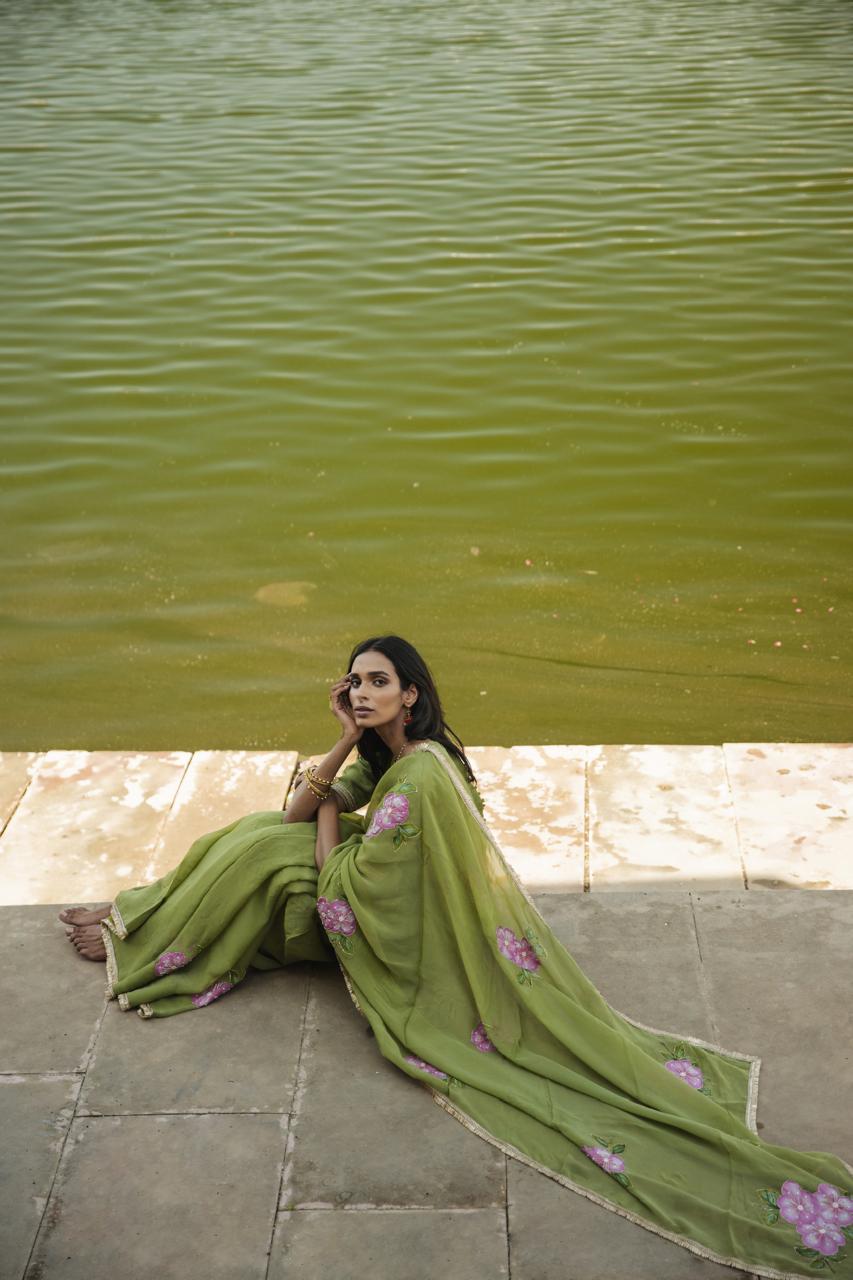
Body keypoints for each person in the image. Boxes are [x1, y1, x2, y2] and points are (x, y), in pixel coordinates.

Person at [59, 634, 853, 1278]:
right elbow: (298, 810)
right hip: (386, 883)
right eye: (352, 683)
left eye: (377, 682)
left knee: (269, 856)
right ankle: (146, 920)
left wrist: (331, 812)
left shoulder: (419, 777)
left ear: (410, 694)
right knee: (261, 835)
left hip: (408, 930)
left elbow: (341, 891)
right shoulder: (388, 751)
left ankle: (149, 933)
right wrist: (342, 745)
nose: (361, 692)